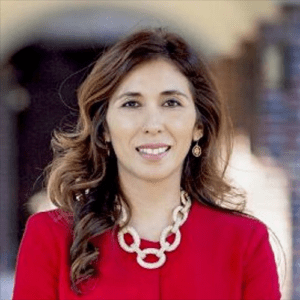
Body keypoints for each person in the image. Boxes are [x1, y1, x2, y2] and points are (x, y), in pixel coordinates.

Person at [13, 28, 281, 300]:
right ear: (103, 128)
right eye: (131, 104)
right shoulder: (50, 238)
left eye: (171, 102)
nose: (153, 125)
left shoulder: (246, 243)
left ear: (198, 126)